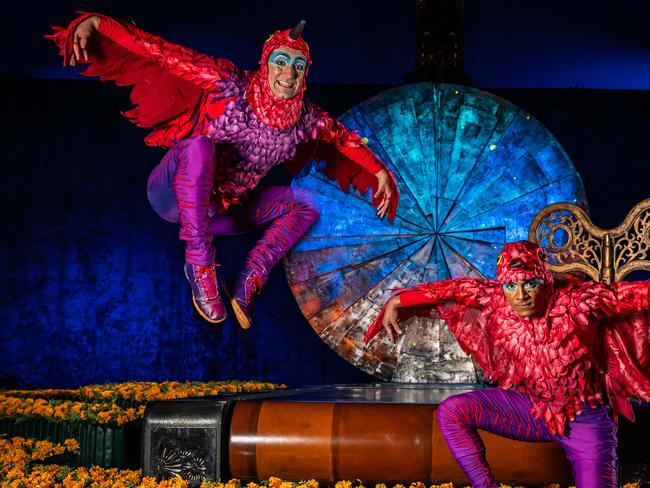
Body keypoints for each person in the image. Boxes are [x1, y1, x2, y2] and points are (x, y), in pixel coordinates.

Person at [47, 13, 398, 329]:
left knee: (306, 203)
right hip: (173, 195)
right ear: (266, 64)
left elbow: (341, 137)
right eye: (281, 61)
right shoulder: (228, 84)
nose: (288, 74)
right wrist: (98, 24)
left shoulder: (307, 118)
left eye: (298, 66)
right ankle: (199, 264)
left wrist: (379, 172)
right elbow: (159, 51)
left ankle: (250, 278)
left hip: (222, 211)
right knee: (199, 146)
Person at [365, 240, 650, 487]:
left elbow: (637, 295)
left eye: (530, 284)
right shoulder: (496, 298)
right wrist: (398, 301)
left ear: (545, 280)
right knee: (452, 412)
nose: (520, 294)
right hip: (534, 411)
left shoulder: (581, 302)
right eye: (511, 285)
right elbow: (452, 289)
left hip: (586, 421)